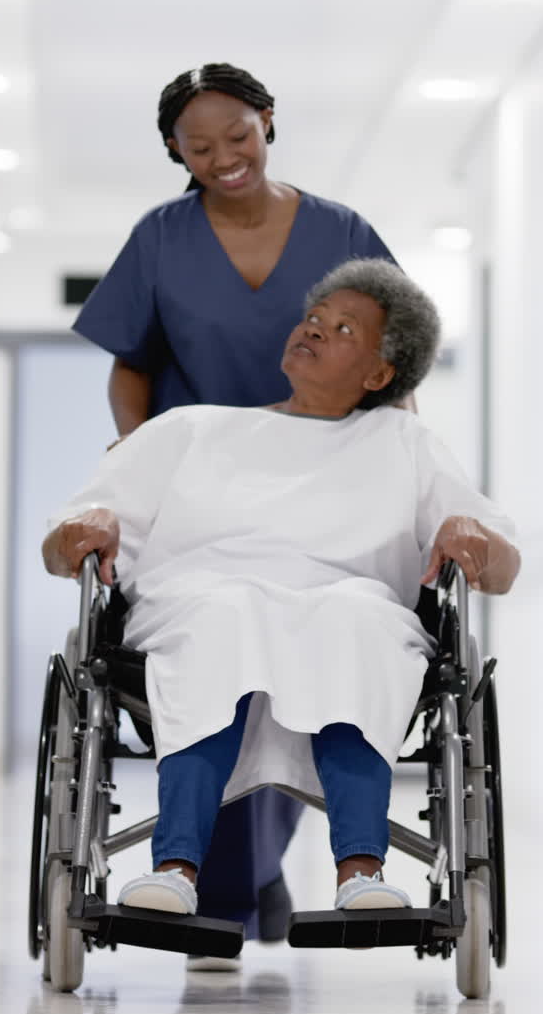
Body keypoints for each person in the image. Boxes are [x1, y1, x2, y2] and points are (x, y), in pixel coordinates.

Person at [45, 259, 520, 919]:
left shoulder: (404, 440)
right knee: (228, 608)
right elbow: (63, 544)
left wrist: (470, 530)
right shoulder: (187, 429)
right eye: (314, 318)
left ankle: (362, 870)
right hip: (199, 604)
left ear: (379, 374)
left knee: (357, 615)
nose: (315, 329)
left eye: (344, 328)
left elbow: (500, 568)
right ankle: (175, 869)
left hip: (349, 609)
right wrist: (84, 527)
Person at [71, 61, 408, 950]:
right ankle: (230, 885)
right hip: (206, 494)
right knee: (224, 638)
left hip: (325, 488)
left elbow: (393, 361)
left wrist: (398, 456)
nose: (224, 157)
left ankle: (243, 880)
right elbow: (131, 367)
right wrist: (140, 464)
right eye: (199, 146)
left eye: (238, 135)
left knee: (318, 640)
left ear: (267, 120)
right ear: (175, 152)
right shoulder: (162, 239)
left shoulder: (341, 231)